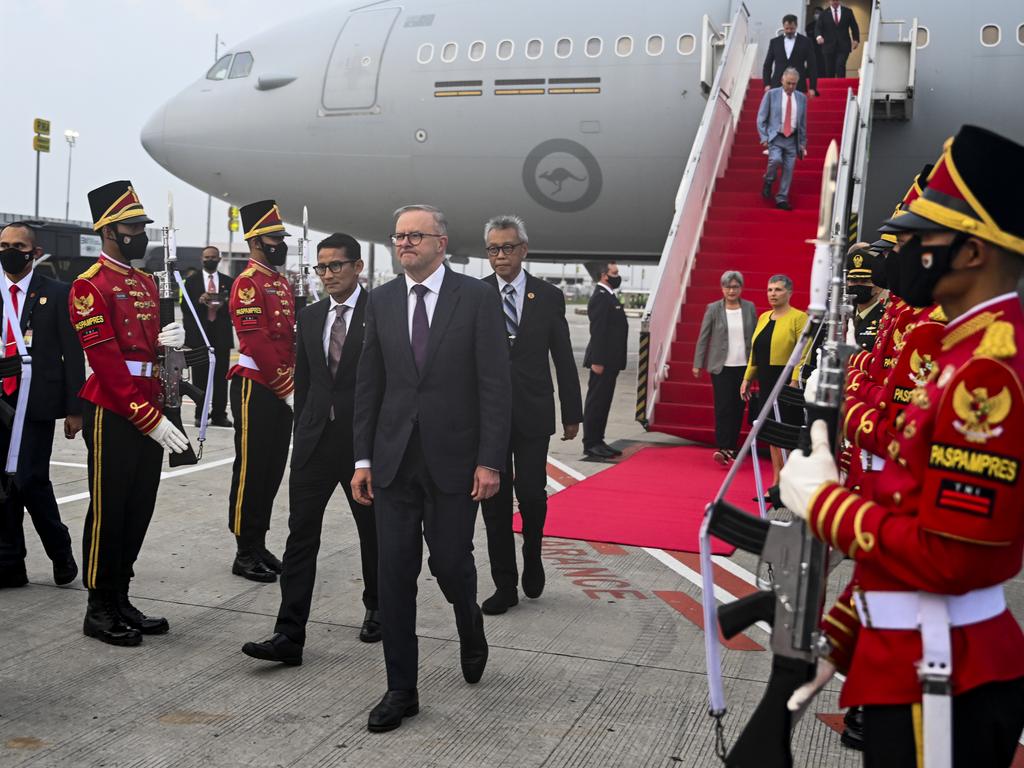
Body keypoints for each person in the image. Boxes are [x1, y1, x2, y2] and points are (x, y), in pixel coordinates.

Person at [781, 125, 1024, 767]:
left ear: (972, 253)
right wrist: (840, 639)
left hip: (944, 680)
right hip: (911, 657)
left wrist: (824, 502)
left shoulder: (985, 375)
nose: (904, 246)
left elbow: (946, 557)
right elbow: (910, 512)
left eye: (923, 235)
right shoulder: (960, 355)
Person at [351, 204, 510, 733]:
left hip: (455, 462)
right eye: (398, 237)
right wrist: (363, 458)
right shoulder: (382, 300)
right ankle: (401, 689)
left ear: (442, 242)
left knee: (448, 564)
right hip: (394, 461)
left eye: (414, 236)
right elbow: (369, 384)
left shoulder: (478, 298)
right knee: (394, 576)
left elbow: (494, 385)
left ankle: (469, 622)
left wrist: (490, 460)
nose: (404, 244)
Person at [241, 233, 380, 667]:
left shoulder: (381, 313)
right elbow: (305, 380)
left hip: (363, 445)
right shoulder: (312, 314)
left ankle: (378, 607)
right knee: (300, 537)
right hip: (314, 443)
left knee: (373, 533)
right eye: (321, 268)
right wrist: (301, 431)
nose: (328, 275)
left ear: (358, 267)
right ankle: (288, 634)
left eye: (336, 266)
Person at [70, 180, 191, 646]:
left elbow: (152, 354)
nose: (142, 233)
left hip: (149, 406)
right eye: (134, 226)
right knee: (109, 509)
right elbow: (106, 363)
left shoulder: (144, 282)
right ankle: (98, 606)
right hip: (115, 410)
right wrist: (149, 418)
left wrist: (171, 345)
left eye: (142, 225)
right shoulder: (89, 286)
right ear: (109, 230)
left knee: (139, 506)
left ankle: (121, 596)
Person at [479, 215, 582, 615]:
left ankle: (533, 555)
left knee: (532, 494)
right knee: (494, 498)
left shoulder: (548, 295)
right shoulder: (477, 293)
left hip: (534, 411)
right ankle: (504, 583)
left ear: (523, 249)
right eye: (492, 249)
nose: (500, 255)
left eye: (507, 247)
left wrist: (572, 412)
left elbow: (563, 357)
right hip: (488, 416)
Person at [0, 222, 84, 588]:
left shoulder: (57, 292)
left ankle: (59, 549)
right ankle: (9, 563)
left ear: (34, 252)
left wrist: (75, 407)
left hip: (34, 402)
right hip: (0, 399)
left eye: (18, 245)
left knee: (31, 480)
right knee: (3, 486)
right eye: (3, 244)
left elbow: (72, 353)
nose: (9, 251)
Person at [225, 200, 296, 583]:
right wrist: (286, 386)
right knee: (251, 469)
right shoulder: (248, 283)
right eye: (275, 238)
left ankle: (259, 540)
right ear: (256, 241)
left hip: (280, 387)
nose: (280, 244)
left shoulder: (278, 281)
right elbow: (257, 341)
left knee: (271, 469)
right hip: (256, 386)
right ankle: (243, 548)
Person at [740, 274, 807, 485]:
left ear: (789, 292)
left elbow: (803, 352)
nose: (773, 294)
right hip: (767, 379)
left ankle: (788, 480)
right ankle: (777, 479)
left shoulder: (799, 317)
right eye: (770, 290)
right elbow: (755, 352)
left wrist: (795, 380)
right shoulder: (764, 317)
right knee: (770, 431)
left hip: (786, 380)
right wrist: (747, 378)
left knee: (785, 430)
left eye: (778, 290)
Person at [692, 270, 757, 466]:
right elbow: (704, 337)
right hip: (721, 367)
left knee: (738, 407)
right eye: (728, 287)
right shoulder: (713, 309)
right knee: (723, 407)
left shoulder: (749, 308)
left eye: (735, 287)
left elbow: (755, 335)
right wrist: (698, 363)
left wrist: (757, 364)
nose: (731, 290)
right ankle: (722, 447)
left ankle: (732, 447)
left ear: (741, 288)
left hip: (743, 366)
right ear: (722, 288)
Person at [181, 246, 233, 427]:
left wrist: (221, 305)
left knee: (220, 378)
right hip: (199, 338)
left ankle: (219, 414)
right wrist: (200, 301)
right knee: (200, 378)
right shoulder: (191, 282)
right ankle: (200, 414)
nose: (209, 260)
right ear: (201, 259)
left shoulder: (229, 282)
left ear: (219, 259)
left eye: (213, 257)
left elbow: (234, 308)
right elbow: (185, 309)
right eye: (206, 257)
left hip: (221, 336)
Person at [582, 261, 628, 459]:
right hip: (602, 361)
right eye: (614, 273)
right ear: (604, 276)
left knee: (604, 402)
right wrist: (598, 360)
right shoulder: (601, 298)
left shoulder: (609, 296)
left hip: (611, 361)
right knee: (596, 402)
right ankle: (590, 443)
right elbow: (598, 331)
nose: (617, 276)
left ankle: (598, 440)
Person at [757, 68, 808, 211]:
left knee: (788, 169)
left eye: (794, 84)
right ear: (782, 80)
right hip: (776, 137)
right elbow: (761, 118)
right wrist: (764, 137)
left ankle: (782, 198)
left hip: (793, 139)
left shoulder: (801, 98)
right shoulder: (771, 95)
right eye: (788, 83)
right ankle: (768, 180)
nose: (791, 87)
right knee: (775, 160)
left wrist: (803, 143)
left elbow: (803, 123)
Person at [762, 14, 818, 95]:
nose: (789, 31)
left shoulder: (806, 42)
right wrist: (767, 83)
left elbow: (812, 66)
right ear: (783, 26)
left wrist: (813, 87)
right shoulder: (774, 42)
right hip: (777, 84)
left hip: (799, 85)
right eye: (786, 28)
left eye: (792, 28)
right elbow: (767, 65)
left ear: (796, 26)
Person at [844, 245, 886, 351]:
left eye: (865, 281)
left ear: (879, 287)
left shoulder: (885, 320)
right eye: (853, 281)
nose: (858, 285)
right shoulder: (843, 316)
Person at [815, 0, 860, 78]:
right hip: (828, 46)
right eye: (833, 0)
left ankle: (841, 85)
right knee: (829, 69)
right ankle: (831, 87)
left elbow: (854, 26)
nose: (835, 2)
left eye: (837, 0)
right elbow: (818, 27)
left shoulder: (847, 12)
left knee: (840, 65)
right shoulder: (824, 14)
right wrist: (819, 36)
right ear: (829, 1)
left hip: (843, 45)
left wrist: (856, 39)